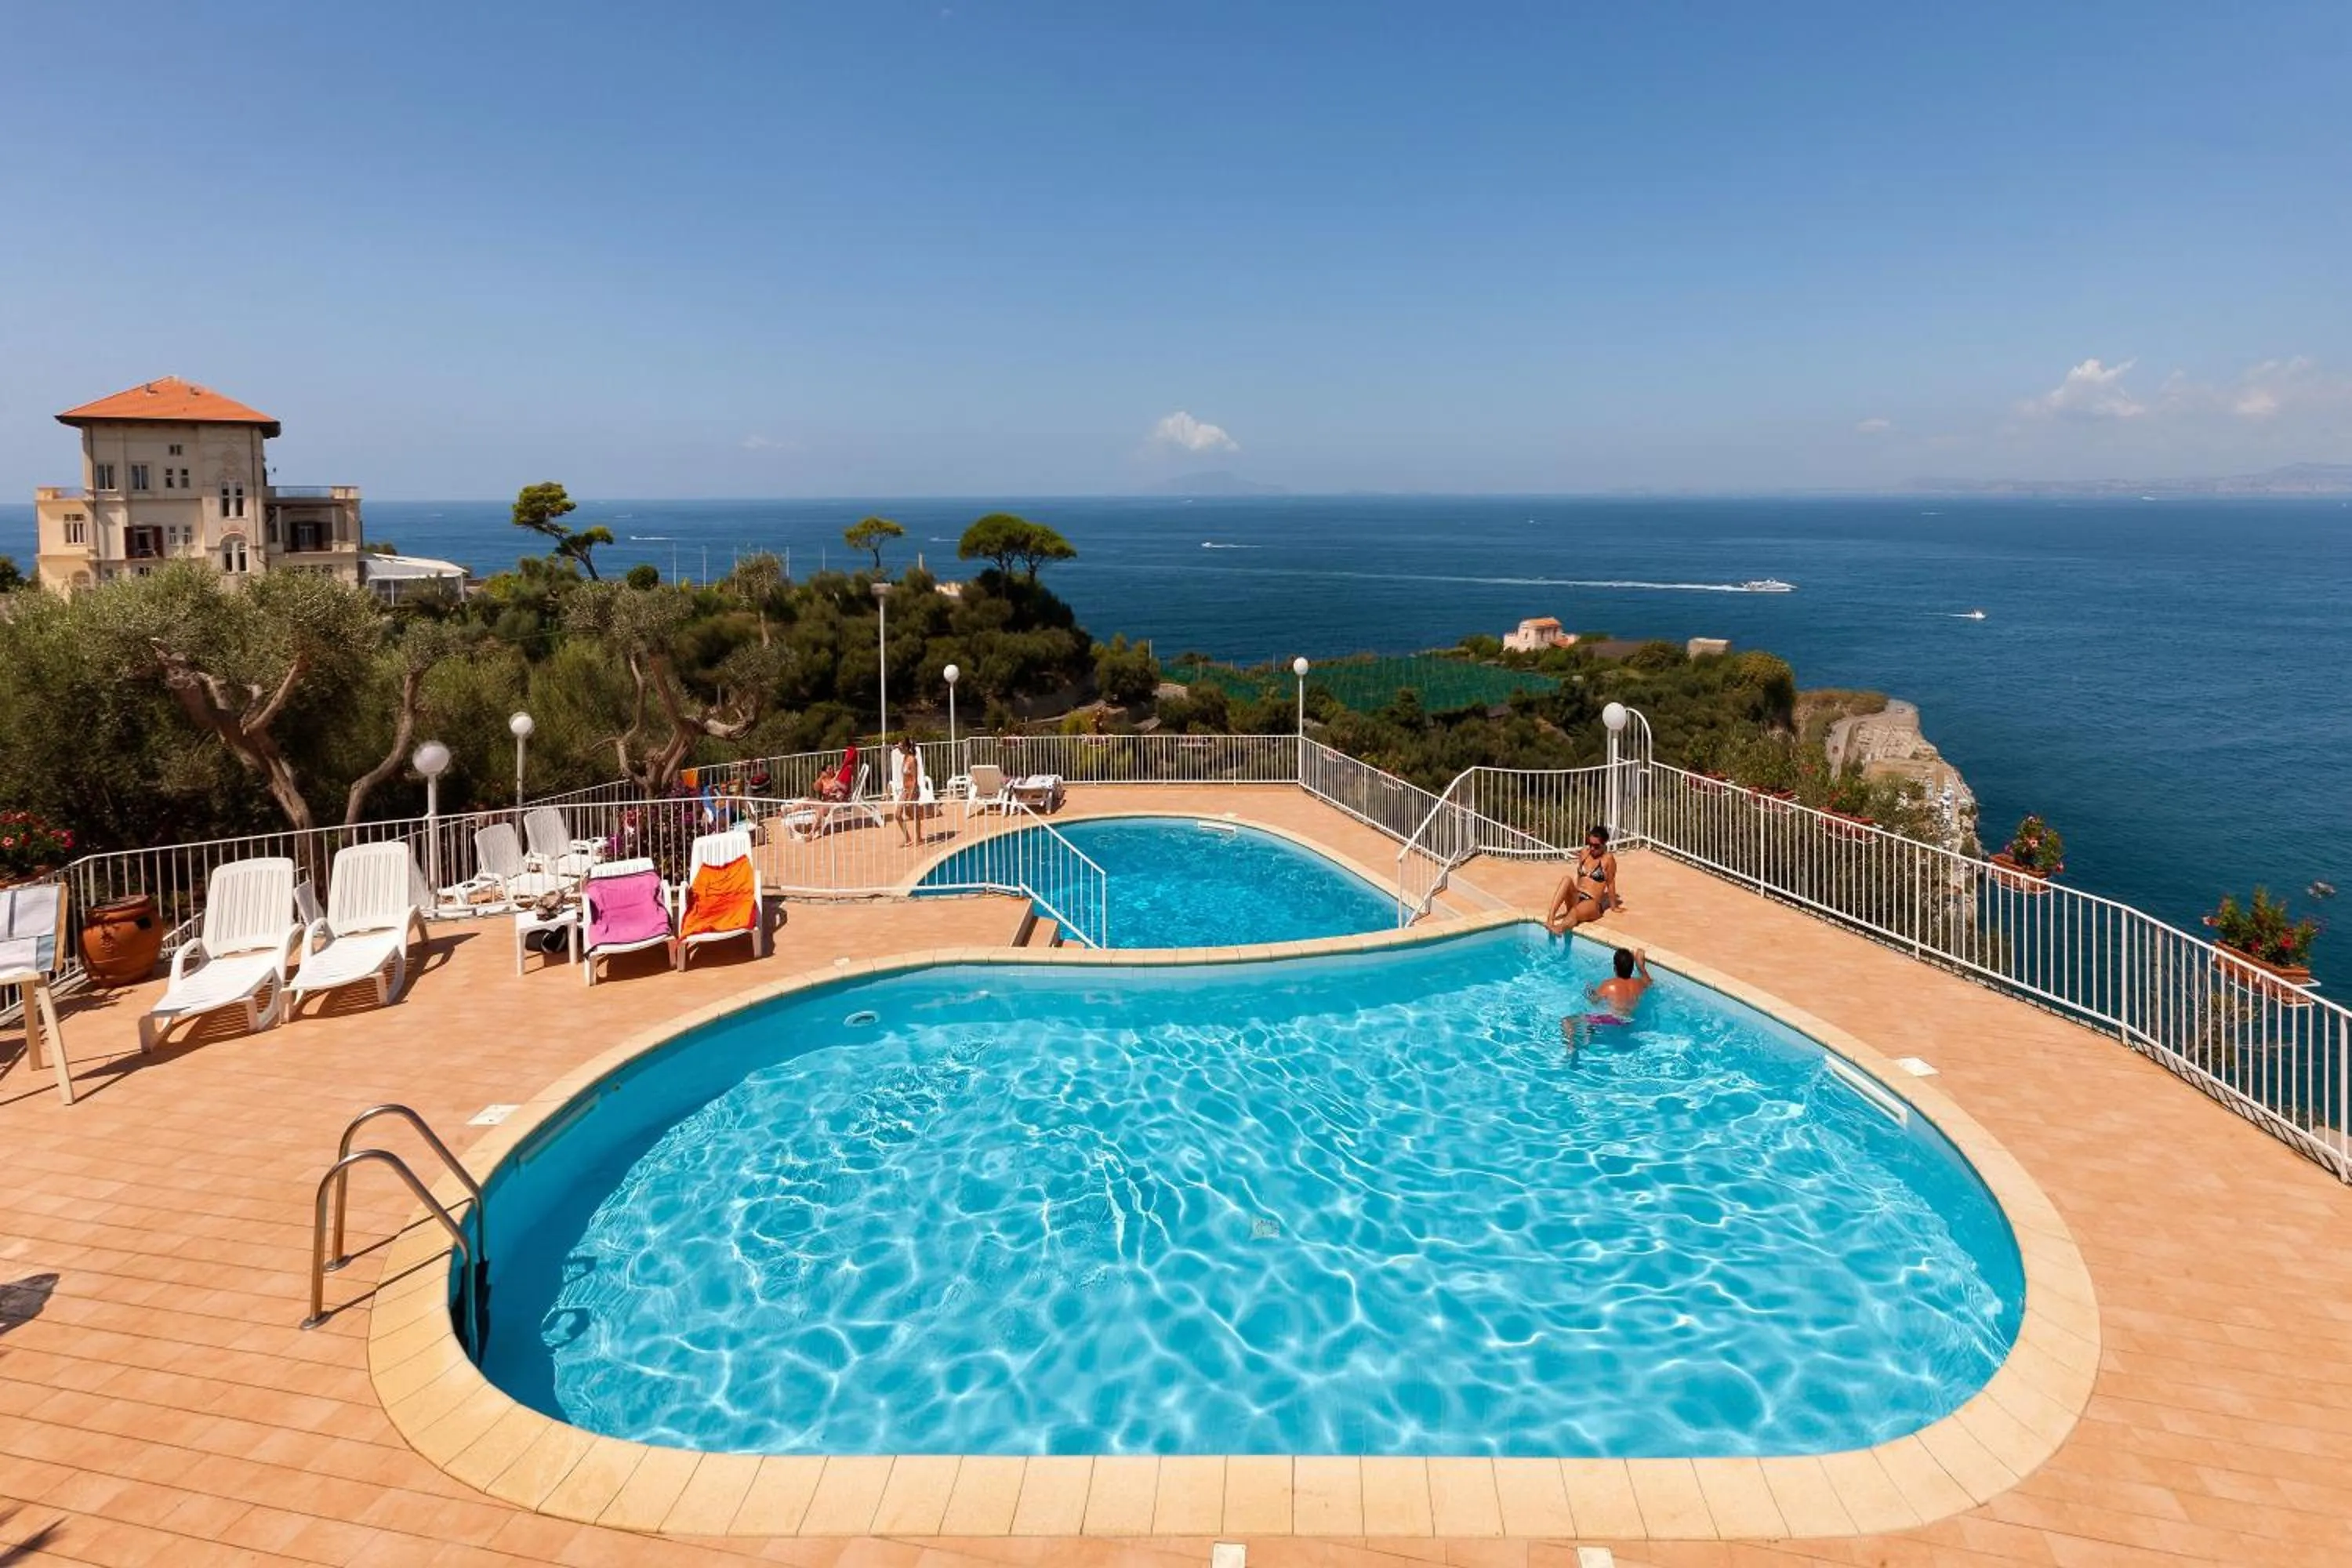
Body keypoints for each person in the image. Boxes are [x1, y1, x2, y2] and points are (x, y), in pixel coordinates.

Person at [1546, 824, 1624, 935]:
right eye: (1590, 844)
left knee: (1574, 912)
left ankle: (1560, 928)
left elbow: (1611, 883)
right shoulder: (1584, 853)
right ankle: (1550, 918)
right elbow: (1579, 877)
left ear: (1604, 844)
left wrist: (1614, 906)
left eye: (1596, 846)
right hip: (1577, 896)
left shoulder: (1608, 860)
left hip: (1592, 903)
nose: (1592, 848)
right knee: (1567, 879)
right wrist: (1574, 893)